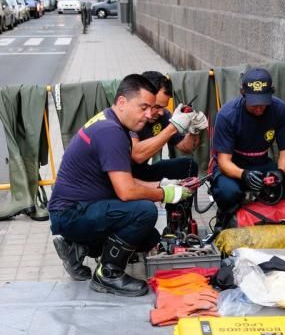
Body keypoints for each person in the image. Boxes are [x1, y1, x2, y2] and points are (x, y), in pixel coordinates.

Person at [48, 74, 199, 297]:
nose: (149, 115)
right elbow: (126, 191)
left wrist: (162, 183)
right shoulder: (111, 132)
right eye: (144, 107)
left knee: (149, 238)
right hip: (70, 213)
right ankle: (108, 274)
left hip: (81, 206)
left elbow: (123, 180)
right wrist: (164, 194)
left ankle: (79, 246)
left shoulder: (110, 121)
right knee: (144, 211)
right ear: (121, 102)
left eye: (151, 108)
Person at [210, 67, 285, 221]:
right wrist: (244, 175)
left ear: (271, 93)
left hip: (262, 164)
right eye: (254, 104)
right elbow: (224, 162)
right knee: (228, 192)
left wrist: (280, 172)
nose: (259, 108)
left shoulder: (279, 110)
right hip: (234, 168)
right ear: (243, 94)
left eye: (263, 103)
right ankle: (226, 216)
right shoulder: (227, 115)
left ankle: (266, 209)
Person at [130, 70, 207, 183]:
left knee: (188, 166)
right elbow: (137, 154)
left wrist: (194, 130)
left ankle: (180, 199)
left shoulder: (162, 115)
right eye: (156, 106)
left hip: (142, 171)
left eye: (163, 107)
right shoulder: (129, 115)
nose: (161, 112)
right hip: (122, 178)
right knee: (148, 201)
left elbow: (186, 148)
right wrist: (173, 127)